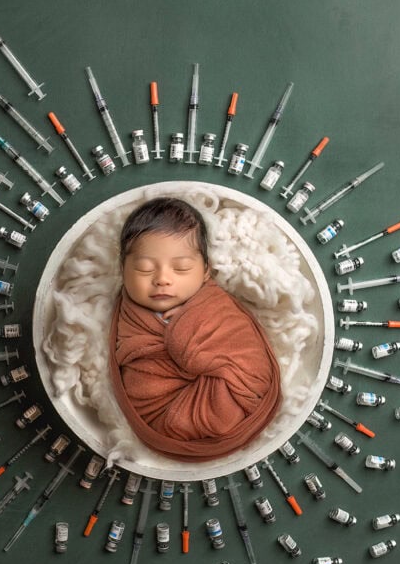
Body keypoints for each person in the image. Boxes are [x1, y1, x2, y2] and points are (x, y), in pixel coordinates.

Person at [108, 197, 282, 462]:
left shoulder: (212, 305)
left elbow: (243, 347)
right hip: (161, 407)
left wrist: (191, 320)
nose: (162, 279)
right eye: (144, 269)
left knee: (240, 391)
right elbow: (135, 357)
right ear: (123, 271)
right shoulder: (132, 315)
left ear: (204, 272)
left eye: (181, 268)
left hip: (233, 390)